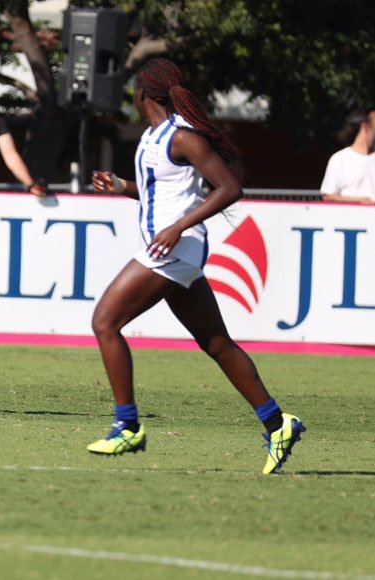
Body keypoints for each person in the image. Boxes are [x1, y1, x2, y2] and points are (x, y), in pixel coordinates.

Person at [89, 59, 304, 474]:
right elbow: (161, 194)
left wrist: (178, 227)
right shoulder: (153, 136)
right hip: (177, 250)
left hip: (175, 249)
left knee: (105, 322)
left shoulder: (181, 136)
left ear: (142, 93)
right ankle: (278, 424)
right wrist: (121, 186)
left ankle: (127, 426)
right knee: (216, 343)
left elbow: (230, 188)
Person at [319, 108, 375, 204]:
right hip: (350, 213)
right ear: (365, 127)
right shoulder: (340, 159)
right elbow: (327, 197)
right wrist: (360, 201)